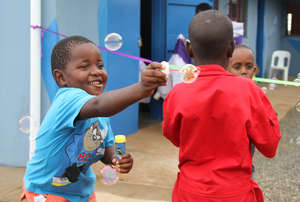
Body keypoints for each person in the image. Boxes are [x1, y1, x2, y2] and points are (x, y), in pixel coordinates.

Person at [21, 36, 168, 202]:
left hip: (80, 192)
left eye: (100, 66)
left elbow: (106, 151)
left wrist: (117, 159)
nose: (97, 71)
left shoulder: (100, 115)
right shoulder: (66, 99)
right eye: (84, 67)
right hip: (46, 191)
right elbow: (99, 105)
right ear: (62, 78)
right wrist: (141, 89)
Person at [162, 10, 281, 202]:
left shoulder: (177, 93)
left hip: (190, 193)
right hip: (235, 194)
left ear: (189, 49)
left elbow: (175, 137)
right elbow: (270, 147)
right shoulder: (249, 91)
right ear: (231, 48)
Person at [228, 45, 259, 176]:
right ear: (226, 69)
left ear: (255, 70)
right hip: (223, 167)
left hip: (244, 167)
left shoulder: (256, 98)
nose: (244, 71)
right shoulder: (222, 96)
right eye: (237, 67)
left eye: (249, 67)